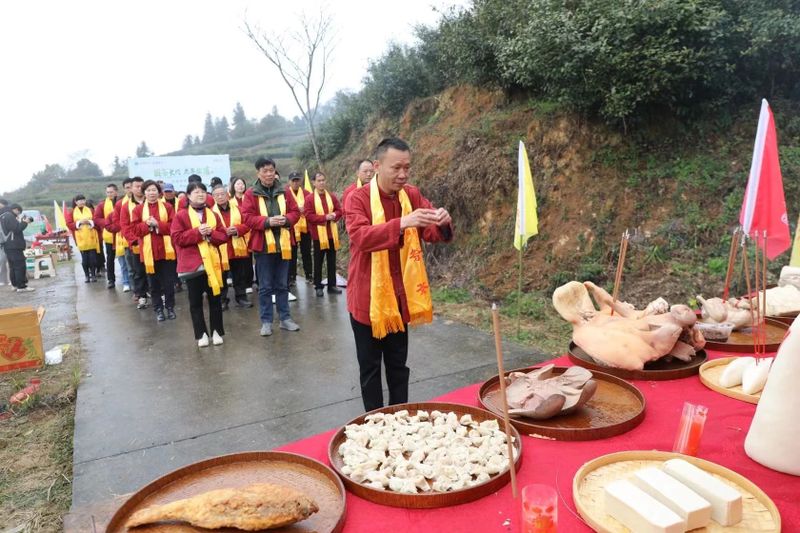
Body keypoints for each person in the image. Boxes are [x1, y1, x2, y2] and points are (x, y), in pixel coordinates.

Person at [347, 138, 454, 411]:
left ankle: (400, 418)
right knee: (370, 369)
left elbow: (431, 232)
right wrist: (402, 223)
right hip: (367, 300)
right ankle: (373, 423)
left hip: (399, 297)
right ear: (377, 166)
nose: (403, 174)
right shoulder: (357, 198)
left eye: (407, 167)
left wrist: (442, 221)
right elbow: (361, 237)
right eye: (396, 168)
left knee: (398, 366)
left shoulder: (412, 195)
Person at [241, 157, 301, 336]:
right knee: (265, 286)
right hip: (263, 247)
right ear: (258, 173)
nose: (269, 174)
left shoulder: (285, 191)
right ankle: (266, 321)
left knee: (282, 284)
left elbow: (295, 212)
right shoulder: (251, 194)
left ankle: (285, 318)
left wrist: (286, 219)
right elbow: (247, 217)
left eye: (271, 170)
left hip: (284, 244)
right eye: (265, 171)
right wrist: (267, 221)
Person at [171, 182, 227, 347]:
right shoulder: (181, 215)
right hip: (194, 265)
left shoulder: (213, 214)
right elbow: (177, 238)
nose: (200, 194)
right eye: (196, 192)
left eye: (203, 191)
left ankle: (217, 331)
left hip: (213, 264)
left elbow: (223, 237)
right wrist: (197, 233)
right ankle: (201, 334)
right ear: (188, 196)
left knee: (215, 299)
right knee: (195, 302)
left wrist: (211, 233)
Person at [131, 180, 177, 321]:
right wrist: (147, 225)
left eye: (154, 190)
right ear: (144, 193)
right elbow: (135, 230)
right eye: (148, 190)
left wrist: (158, 224)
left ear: (159, 192)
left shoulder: (167, 207)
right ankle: (158, 309)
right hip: (149, 253)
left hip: (166, 251)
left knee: (169, 282)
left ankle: (170, 308)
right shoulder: (138, 210)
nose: (151, 193)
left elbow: (173, 227)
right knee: (153, 284)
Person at [211, 184, 252, 309]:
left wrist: (237, 229)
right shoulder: (211, 212)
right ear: (213, 197)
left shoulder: (238, 209)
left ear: (227, 195)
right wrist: (224, 232)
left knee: (239, 273)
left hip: (237, 246)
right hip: (220, 247)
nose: (220, 197)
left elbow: (248, 224)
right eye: (217, 195)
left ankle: (241, 297)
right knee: (221, 275)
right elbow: (210, 230)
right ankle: (222, 299)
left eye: (222, 194)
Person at [304, 172, 342, 297]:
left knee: (332, 261)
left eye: (323, 180)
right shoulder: (309, 199)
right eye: (319, 180)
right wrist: (324, 217)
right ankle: (318, 286)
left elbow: (339, 210)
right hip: (318, 236)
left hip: (332, 234)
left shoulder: (331, 196)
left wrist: (334, 215)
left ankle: (332, 285)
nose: (321, 183)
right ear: (313, 183)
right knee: (318, 261)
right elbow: (309, 216)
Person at [120, 176, 149, 308]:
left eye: (141, 186)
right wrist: (135, 240)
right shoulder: (126, 207)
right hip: (137, 244)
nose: (139, 189)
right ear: (131, 189)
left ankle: (158, 294)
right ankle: (141, 296)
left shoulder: (152, 202)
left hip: (152, 242)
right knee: (139, 271)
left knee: (155, 271)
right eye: (136, 186)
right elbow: (125, 227)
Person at [105, 178, 133, 292]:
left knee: (138, 266)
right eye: (127, 188)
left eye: (132, 187)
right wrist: (122, 227)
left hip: (139, 237)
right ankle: (127, 283)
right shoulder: (119, 204)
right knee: (125, 264)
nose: (130, 189)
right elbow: (109, 221)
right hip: (123, 238)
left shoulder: (144, 201)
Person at [0, 203, 34, 292]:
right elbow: (17, 229)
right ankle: (21, 286)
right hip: (14, 245)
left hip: (7, 245)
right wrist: (25, 222)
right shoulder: (9, 216)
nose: (18, 214)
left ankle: (15, 285)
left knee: (13, 266)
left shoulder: (3, 216)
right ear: (16, 209)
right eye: (19, 212)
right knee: (19, 266)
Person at [286, 171, 312, 286]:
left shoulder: (306, 193)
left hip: (305, 227)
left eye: (297, 180)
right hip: (292, 228)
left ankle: (309, 275)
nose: (296, 183)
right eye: (293, 181)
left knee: (306, 251)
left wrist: (304, 209)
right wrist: (297, 210)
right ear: (289, 182)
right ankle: (292, 276)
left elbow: (312, 208)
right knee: (292, 252)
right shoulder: (285, 194)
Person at [67, 194, 101, 283]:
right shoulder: (72, 212)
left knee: (93, 259)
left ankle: (93, 275)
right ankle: (87, 276)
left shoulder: (90, 210)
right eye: (79, 200)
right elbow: (69, 224)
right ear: (76, 202)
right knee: (85, 259)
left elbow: (96, 221)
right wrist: (79, 222)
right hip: (81, 238)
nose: (82, 202)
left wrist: (89, 222)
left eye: (83, 200)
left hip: (91, 237)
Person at [94, 183, 122, 288]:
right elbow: (96, 218)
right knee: (110, 258)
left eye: (111, 192)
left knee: (125, 259)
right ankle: (111, 280)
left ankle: (127, 280)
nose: (109, 194)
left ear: (116, 192)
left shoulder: (121, 202)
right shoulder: (102, 205)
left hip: (121, 234)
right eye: (108, 192)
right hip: (109, 234)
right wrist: (108, 222)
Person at [342, 159, 375, 228]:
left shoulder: (379, 188)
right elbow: (346, 214)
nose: (369, 174)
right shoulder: (350, 191)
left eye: (371, 171)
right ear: (357, 173)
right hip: (361, 228)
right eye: (365, 171)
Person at [0, 198, 10, 286]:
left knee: (4, 260)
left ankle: (4, 280)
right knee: (5, 260)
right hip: (5, 241)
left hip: (4, 241)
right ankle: (6, 280)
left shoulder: (6, 213)